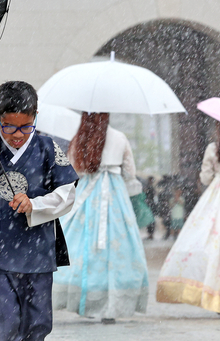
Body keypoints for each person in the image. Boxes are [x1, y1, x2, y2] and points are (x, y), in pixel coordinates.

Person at [0, 81, 78, 340]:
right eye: (8, 127)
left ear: (35, 117)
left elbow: (67, 194)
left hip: (36, 248)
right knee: (2, 321)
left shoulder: (47, 148)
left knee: (37, 322)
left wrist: (36, 203)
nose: (18, 134)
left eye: (26, 126)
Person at [53, 112, 149, 324]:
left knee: (81, 246)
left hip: (86, 193)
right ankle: (111, 305)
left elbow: (72, 169)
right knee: (116, 251)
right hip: (115, 196)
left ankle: (85, 300)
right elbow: (130, 173)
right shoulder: (119, 137)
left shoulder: (80, 137)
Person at [156, 122, 220, 316]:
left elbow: (205, 177)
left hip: (217, 199)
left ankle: (219, 292)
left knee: (215, 247)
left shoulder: (214, 149)